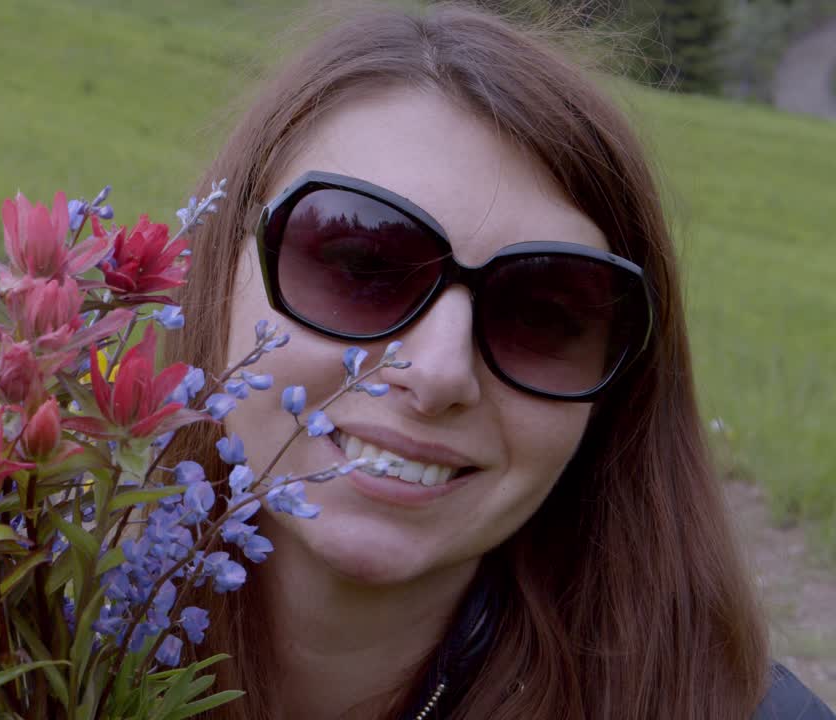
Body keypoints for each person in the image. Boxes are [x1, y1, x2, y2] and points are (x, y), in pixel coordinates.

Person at [162, 3, 836, 718]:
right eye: (362, 267)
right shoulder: (41, 615)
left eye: (541, 317)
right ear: (219, 264)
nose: (440, 373)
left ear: (613, 391)